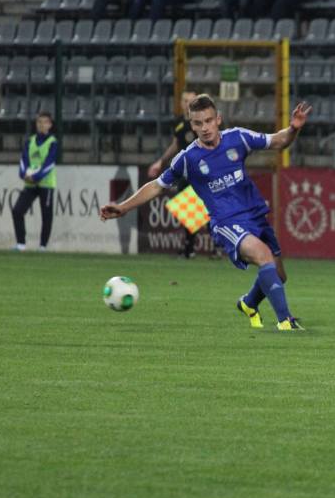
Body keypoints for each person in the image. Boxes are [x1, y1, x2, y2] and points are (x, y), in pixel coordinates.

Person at [100, 95, 312, 331]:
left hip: (255, 215)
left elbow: (278, 141)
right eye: (198, 123)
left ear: (218, 119)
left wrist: (293, 128)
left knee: (278, 276)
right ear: (192, 125)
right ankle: (285, 321)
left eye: (209, 121)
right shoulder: (187, 158)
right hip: (226, 222)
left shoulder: (238, 138)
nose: (205, 128)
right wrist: (123, 207)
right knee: (264, 257)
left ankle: (249, 303)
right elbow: (157, 186)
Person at [148, 89, 201, 259]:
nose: (187, 104)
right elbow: (176, 144)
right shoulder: (179, 123)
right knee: (187, 210)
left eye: (191, 101)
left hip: (201, 171)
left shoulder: (201, 122)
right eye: (185, 101)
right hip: (185, 172)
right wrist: (160, 162)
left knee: (204, 209)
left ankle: (216, 247)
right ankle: (189, 248)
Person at [12, 112, 58, 252]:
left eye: (45, 122)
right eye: (39, 122)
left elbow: (49, 164)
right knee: (17, 211)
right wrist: (23, 174)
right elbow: (24, 160)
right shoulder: (30, 141)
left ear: (50, 125)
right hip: (30, 183)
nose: (41, 125)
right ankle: (21, 244)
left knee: (46, 215)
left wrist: (36, 176)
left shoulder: (52, 142)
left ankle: (42, 246)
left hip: (46, 184)